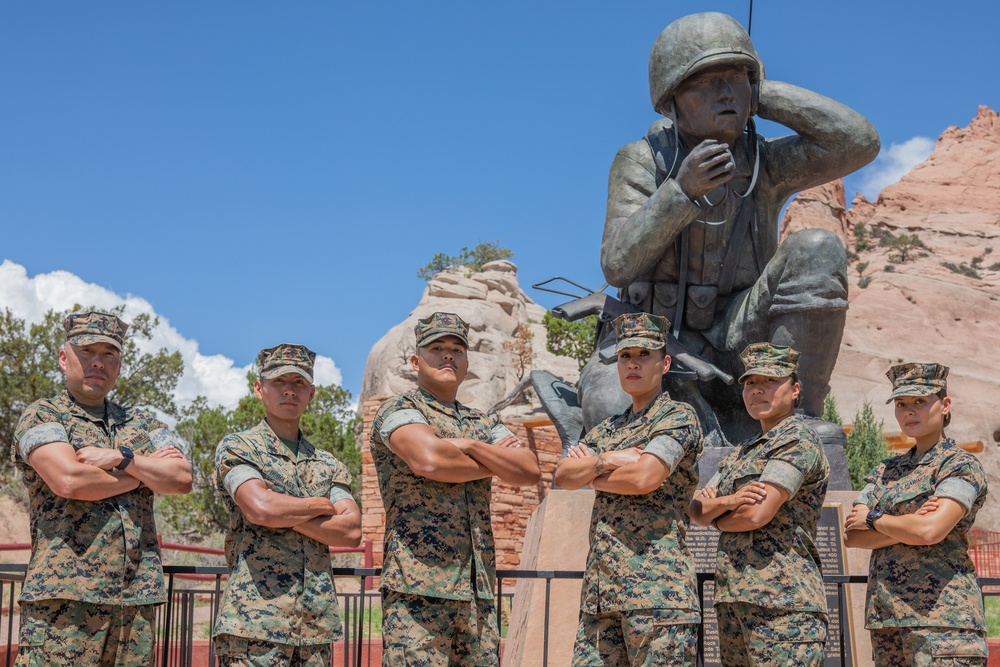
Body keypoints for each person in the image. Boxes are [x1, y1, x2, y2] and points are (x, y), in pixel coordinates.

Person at [582, 12, 880, 446]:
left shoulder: (764, 162)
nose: (726, 93)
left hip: (738, 334)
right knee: (612, 414)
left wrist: (761, 95)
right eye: (706, 81)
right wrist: (680, 192)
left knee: (817, 247)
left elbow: (858, 142)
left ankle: (798, 417)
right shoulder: (644, 160)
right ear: (671, 100)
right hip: (649, 340)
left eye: (736, 77)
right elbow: (617, 265)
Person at [11, 311, 193, 667]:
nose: (98, 362)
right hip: (64, 604)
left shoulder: (142, 424)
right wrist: (143, 470)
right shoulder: (44, 416)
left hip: (134, 604)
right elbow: (69, 481)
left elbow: (182, 478)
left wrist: (120, 458)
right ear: (64, 358)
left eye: (109, 354)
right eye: (87, 351)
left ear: (120, 365)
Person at [369, 312, 541, 666]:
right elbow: (430, 460)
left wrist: (472, 446)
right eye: (437, 348)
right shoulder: (399, 410)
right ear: (416, 361)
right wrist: (493, 461)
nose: (448, 355)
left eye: (457, 349)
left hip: (477, 591)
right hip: (417, 592)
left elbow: (527, 470)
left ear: (466, 362)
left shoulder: (482, 423)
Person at [554, 313, 703, 667]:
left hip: (657, 595)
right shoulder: (609, 429)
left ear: (664, 363)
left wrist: (591, 472)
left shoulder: (677, 417)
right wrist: (611, 459)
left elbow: (644, 478)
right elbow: (562, 476)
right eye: (625, 356)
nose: (632, 364)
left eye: (643, 355)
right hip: (601, 598)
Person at [213, 343, 361, 667]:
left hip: (314, 632)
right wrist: (319, 505)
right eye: (279, 382)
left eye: (298, 383)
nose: (289, 391)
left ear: (311, 393)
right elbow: (260, 508)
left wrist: (281, 511)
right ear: (259, 388)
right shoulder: (239, 447)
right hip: (254, 627)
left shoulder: (327, 464)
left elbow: (350, 531)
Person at [689, 342, 830, 666]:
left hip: (784, 605)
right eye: (751, 383)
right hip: (733, 599)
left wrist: (718, 516)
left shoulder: (797, 440)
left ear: (795, 390)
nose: (757, 390)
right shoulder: (741, 452)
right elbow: (695, 511)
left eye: (769, 381)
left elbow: (755, 514)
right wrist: (731, 500)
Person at [844, 363, 988, 666]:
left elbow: (929, 532)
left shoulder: (959, 465)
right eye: (901, 404)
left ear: (945, 405)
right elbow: (852, 536)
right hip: (887, 622)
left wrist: (875, 518)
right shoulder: (886, 470)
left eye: (920, 402)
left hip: (943, 623)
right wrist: (908, 523)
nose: (909, 411)